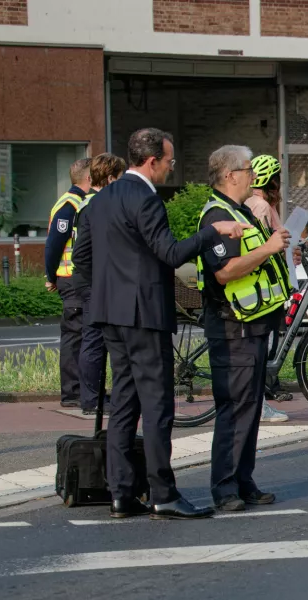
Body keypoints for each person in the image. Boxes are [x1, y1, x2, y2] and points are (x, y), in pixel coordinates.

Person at [74, 128, 248, 521]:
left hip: (108, 313)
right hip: (144, 315)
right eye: (169, 161)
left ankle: (120, 493)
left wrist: (102, 295)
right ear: (151, 161)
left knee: (123, 401)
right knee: (156, 406)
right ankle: (163, 493)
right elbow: (169, 253)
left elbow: (82, 259)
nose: (171, 167)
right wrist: (211, 232)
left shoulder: (99, 200)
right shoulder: (146, 199)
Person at [196, 145, 292, 511]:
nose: (254, 176)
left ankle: (243, 479)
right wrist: (268, 248)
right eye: (249, 170)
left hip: (251, 325)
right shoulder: (217, 215)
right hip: (231, 326)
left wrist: (277, 249)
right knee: (234, 407)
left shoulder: (239, 211)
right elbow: (225, 271)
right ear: (230, 175)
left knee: (250, 406)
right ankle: (224, 488)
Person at [71, 153, 127, 414]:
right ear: (111, 177)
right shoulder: (95, 205)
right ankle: (92, 400)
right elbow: (81, 254)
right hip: (93, 283)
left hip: (91, 281)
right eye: (121, 177)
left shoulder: (89, 204)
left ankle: (93, 398)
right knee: (94, 340)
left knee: (95, 340)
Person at [244, 154, 292, 414]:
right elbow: (265, 246)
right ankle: (260, 402)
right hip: (265, 285)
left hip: (263, 283)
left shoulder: (257, 203)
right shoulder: (260, 207)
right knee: (266, 342)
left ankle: (262, 396)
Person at [45, 158, 91, 408]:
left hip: (73, 278)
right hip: (71, 278)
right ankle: (72, 393)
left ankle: (82, 391)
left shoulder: (77, 203)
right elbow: (54, 245)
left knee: (83, 336)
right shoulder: (70, 205)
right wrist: (50, 276)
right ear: (89, 179)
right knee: (75, 337)